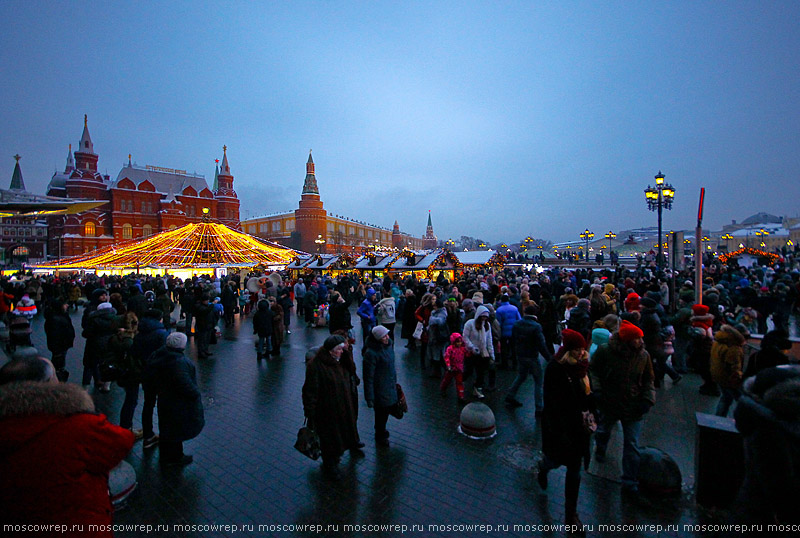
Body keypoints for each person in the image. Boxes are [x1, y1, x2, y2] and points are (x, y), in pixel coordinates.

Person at [0, 358, 134, 532]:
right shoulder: (77, 425)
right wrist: (83, 408)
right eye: (56, 375)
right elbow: (122, 441)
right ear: (47, 384)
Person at [537, 329, 594, 531]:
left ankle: (571, 515)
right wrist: (559, 429)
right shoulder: (556, 368)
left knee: (575, 470)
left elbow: (588, 394)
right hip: (560, 427)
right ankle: (543, 468)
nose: (581, 353)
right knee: (554, 461)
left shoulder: (583, 367)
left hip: (578, 429)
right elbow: (551, 402)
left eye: (582, 349)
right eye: (577, 350)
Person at [590, 319, 655, 494]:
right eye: (637, 338)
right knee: (604, 429)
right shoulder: (606, 351)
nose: (640, 342)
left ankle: (629, 480)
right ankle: (600, 446)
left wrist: (648, 399)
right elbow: (593, 369)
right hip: (609, 401)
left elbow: (649, 379)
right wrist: (597, 390)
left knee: (631, 443)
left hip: (633, 404)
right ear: (627, 340)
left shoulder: (643, 356)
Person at [730, 365, 800, 525]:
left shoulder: (761, 422)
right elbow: (780, 486)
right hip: (766, 518)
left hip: (753, 511)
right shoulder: (772, 431)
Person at [302, 335, 362, 480]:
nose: (342, 352)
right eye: (340, 349)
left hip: (343, 407)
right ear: (331, 351)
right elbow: (310, 391)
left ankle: (335, 458)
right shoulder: (316, 366)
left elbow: (350, 377)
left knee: (340, 435)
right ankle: (330, 464)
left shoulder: (341, 362)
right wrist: (310, 412)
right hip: (327, 410)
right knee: (330, 439)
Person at [146, 332, 204, 467]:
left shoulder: (159, 356)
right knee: (175, 430)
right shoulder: (179, 362)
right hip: (176, 401)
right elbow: (184, 383)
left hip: (165, 398)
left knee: (167, 428)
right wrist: (195, 393)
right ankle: (174, 458)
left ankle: (167, 456)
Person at [131, 309, 168, 449]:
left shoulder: (139, 334)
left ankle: (148, 435)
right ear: (159, 319)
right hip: (160, 374)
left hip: (145, 374)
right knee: (163, 405)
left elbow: (134, 353)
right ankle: (165, 434)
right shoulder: (161, 334)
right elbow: (166, 354)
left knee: (148, 404)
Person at [505, 305, 553, 413]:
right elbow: (541, 344)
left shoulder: (517, 324)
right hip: (532, 355)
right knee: (538, 381)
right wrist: (549, 358)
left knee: (521, 376)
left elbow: (513, 339)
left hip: (520, 354)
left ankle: (510, 395)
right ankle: (539, 406)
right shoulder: (536, 326)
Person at [362, 325, 398, 447]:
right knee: (381, 414)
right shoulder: (371, 354)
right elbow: (368, 377)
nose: (387, 337)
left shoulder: (388, 346)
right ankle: (380, 434)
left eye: (387, 334)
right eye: (384, 336)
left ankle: (382, 432)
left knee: (387, 411)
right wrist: (369, 397)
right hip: (380, 389)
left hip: (389, 385)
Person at [710, 324, 749, 417]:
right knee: (733, 399)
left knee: (726, 398)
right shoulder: (734, 347)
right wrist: (738, 378)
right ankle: (721, 417)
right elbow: (734, 366)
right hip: (728, 378)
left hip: (718, 373)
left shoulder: (720, 340)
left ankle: (719, 418)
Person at [82, 301, 117, 392]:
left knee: (89, 365)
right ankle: (107, 385)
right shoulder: (115, 319)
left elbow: (86, 333)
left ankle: (85, 387)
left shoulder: (93, 319)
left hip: (93, 344)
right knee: (108, 363)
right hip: (109, 344)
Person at [462, 305, 494, 399]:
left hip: (482, 353)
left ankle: (477, 388)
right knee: (468, 370)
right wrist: (471, 347)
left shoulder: (487, 326)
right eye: (482, 316)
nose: (484, 319)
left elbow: (489, 340)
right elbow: (465, 337)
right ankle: (460, 382)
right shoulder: (470, 324)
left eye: (485, 317)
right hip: (471, 352)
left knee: (481, 372)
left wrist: (491, 353)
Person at [44, 297, 75, 382]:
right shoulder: (55, 318)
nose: (67, 305)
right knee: (58, 362)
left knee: (59, 361)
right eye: (65, 304)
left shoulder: (59, 315)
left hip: (62, 345)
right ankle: (57, 378)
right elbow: (54, 335)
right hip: (60, 346)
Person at [441, 332, 468, 404]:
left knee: (459, 382)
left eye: (460, 342)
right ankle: (443, 388)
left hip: (458, 368)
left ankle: (461, 396)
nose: (459, 343)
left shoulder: (462, 349)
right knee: (447, 380)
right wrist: (448, 365)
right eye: (457, 342)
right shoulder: (450, 349)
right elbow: (447, 357)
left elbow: (467, 354)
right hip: (452, 369)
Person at [496, 294, 522, 370]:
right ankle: (515, 364)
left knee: (504, 348)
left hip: (504, 331)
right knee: (514, 347)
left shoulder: (499, 310)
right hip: (513, 331)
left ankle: (504, 364)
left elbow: (498, 323)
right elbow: (519, 319)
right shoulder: (514, 308)